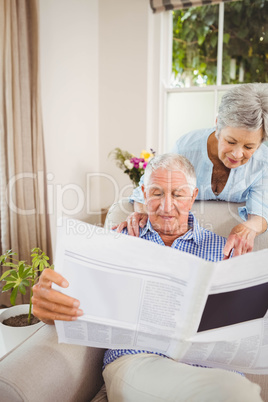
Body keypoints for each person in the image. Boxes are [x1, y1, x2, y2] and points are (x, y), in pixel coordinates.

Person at [32, 154, 263, 402]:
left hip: (213, 368)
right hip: (138, 361)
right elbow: (68, 301)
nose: (166, 206)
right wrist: (47, 306)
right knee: (235, 392)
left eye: (178, 194)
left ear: (193, 196)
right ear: (143, 193)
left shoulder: (226, 251)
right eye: (156, 193)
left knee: (234, 389)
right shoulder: (117, 242)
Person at [120, 83, 268, 259]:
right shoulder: (186, 147)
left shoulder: (263, 162)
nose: (237, 154)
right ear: (217, 125)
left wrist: (249, 227)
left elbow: (261, 210)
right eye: (230, 141)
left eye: (249, 146)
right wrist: (142, 211)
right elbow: (148, 189)